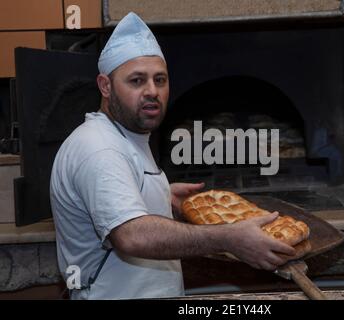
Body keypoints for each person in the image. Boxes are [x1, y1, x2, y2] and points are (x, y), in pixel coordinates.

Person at [50, 12, 296, 300]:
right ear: (105, 86)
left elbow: (113, 196)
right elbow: (132, 235)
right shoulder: (99, 148)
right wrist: (229, 237)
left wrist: (159, 193)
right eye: (137, 81)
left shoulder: (123, 136)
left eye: (160, 79)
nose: (152, 91)